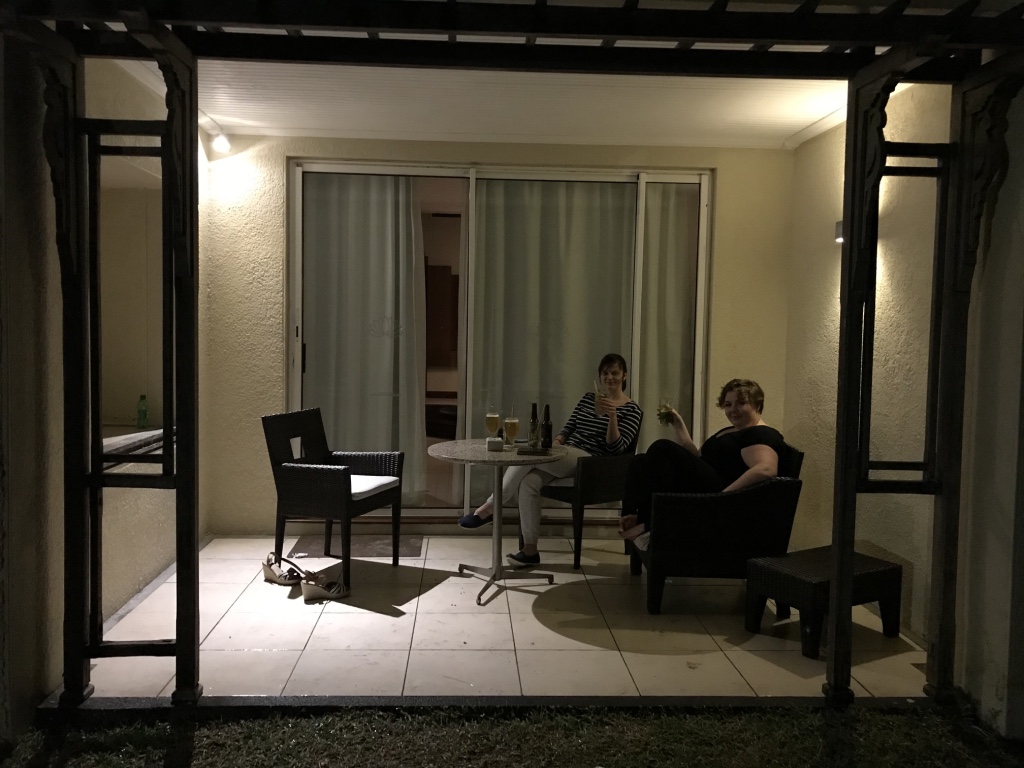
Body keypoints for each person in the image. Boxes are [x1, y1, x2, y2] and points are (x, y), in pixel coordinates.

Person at [459, 353, 644, 565]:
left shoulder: (631, 409)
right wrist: (555, 443)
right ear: (600, 376)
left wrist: (612, 417)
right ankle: (530, 551)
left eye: (615, 373)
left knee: (531, 453)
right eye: (605, 373)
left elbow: (617, 448)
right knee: (529, 482)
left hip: (593, 463)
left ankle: (490, 507)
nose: (609, 377)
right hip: (566, 453)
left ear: (624, 375)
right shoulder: (588, 399)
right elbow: (569, 427)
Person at [618, 378, 785, 544]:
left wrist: (723, 496)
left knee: (661, 447)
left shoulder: (761, 433)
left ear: (757, 405)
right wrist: (679, 426)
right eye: (728, 404)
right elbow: (699, 458)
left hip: (718, 495)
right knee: (640, 460)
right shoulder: (734, 430)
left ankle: (651, 521)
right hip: (707, 485)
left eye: (741, 403)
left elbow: (766, 469)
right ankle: (635, 517)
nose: (733, 410)